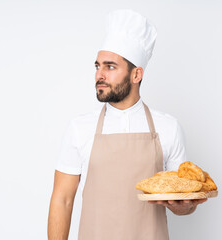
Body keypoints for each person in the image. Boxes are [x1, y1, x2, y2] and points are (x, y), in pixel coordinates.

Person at [48, 9, 207, 240]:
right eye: (97, 66)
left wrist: (184, 207)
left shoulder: (168, 128)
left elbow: (184, 199)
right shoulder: (79, 128)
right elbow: (62, 200)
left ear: (136, 75)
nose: (99, 75)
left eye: (110, 66)